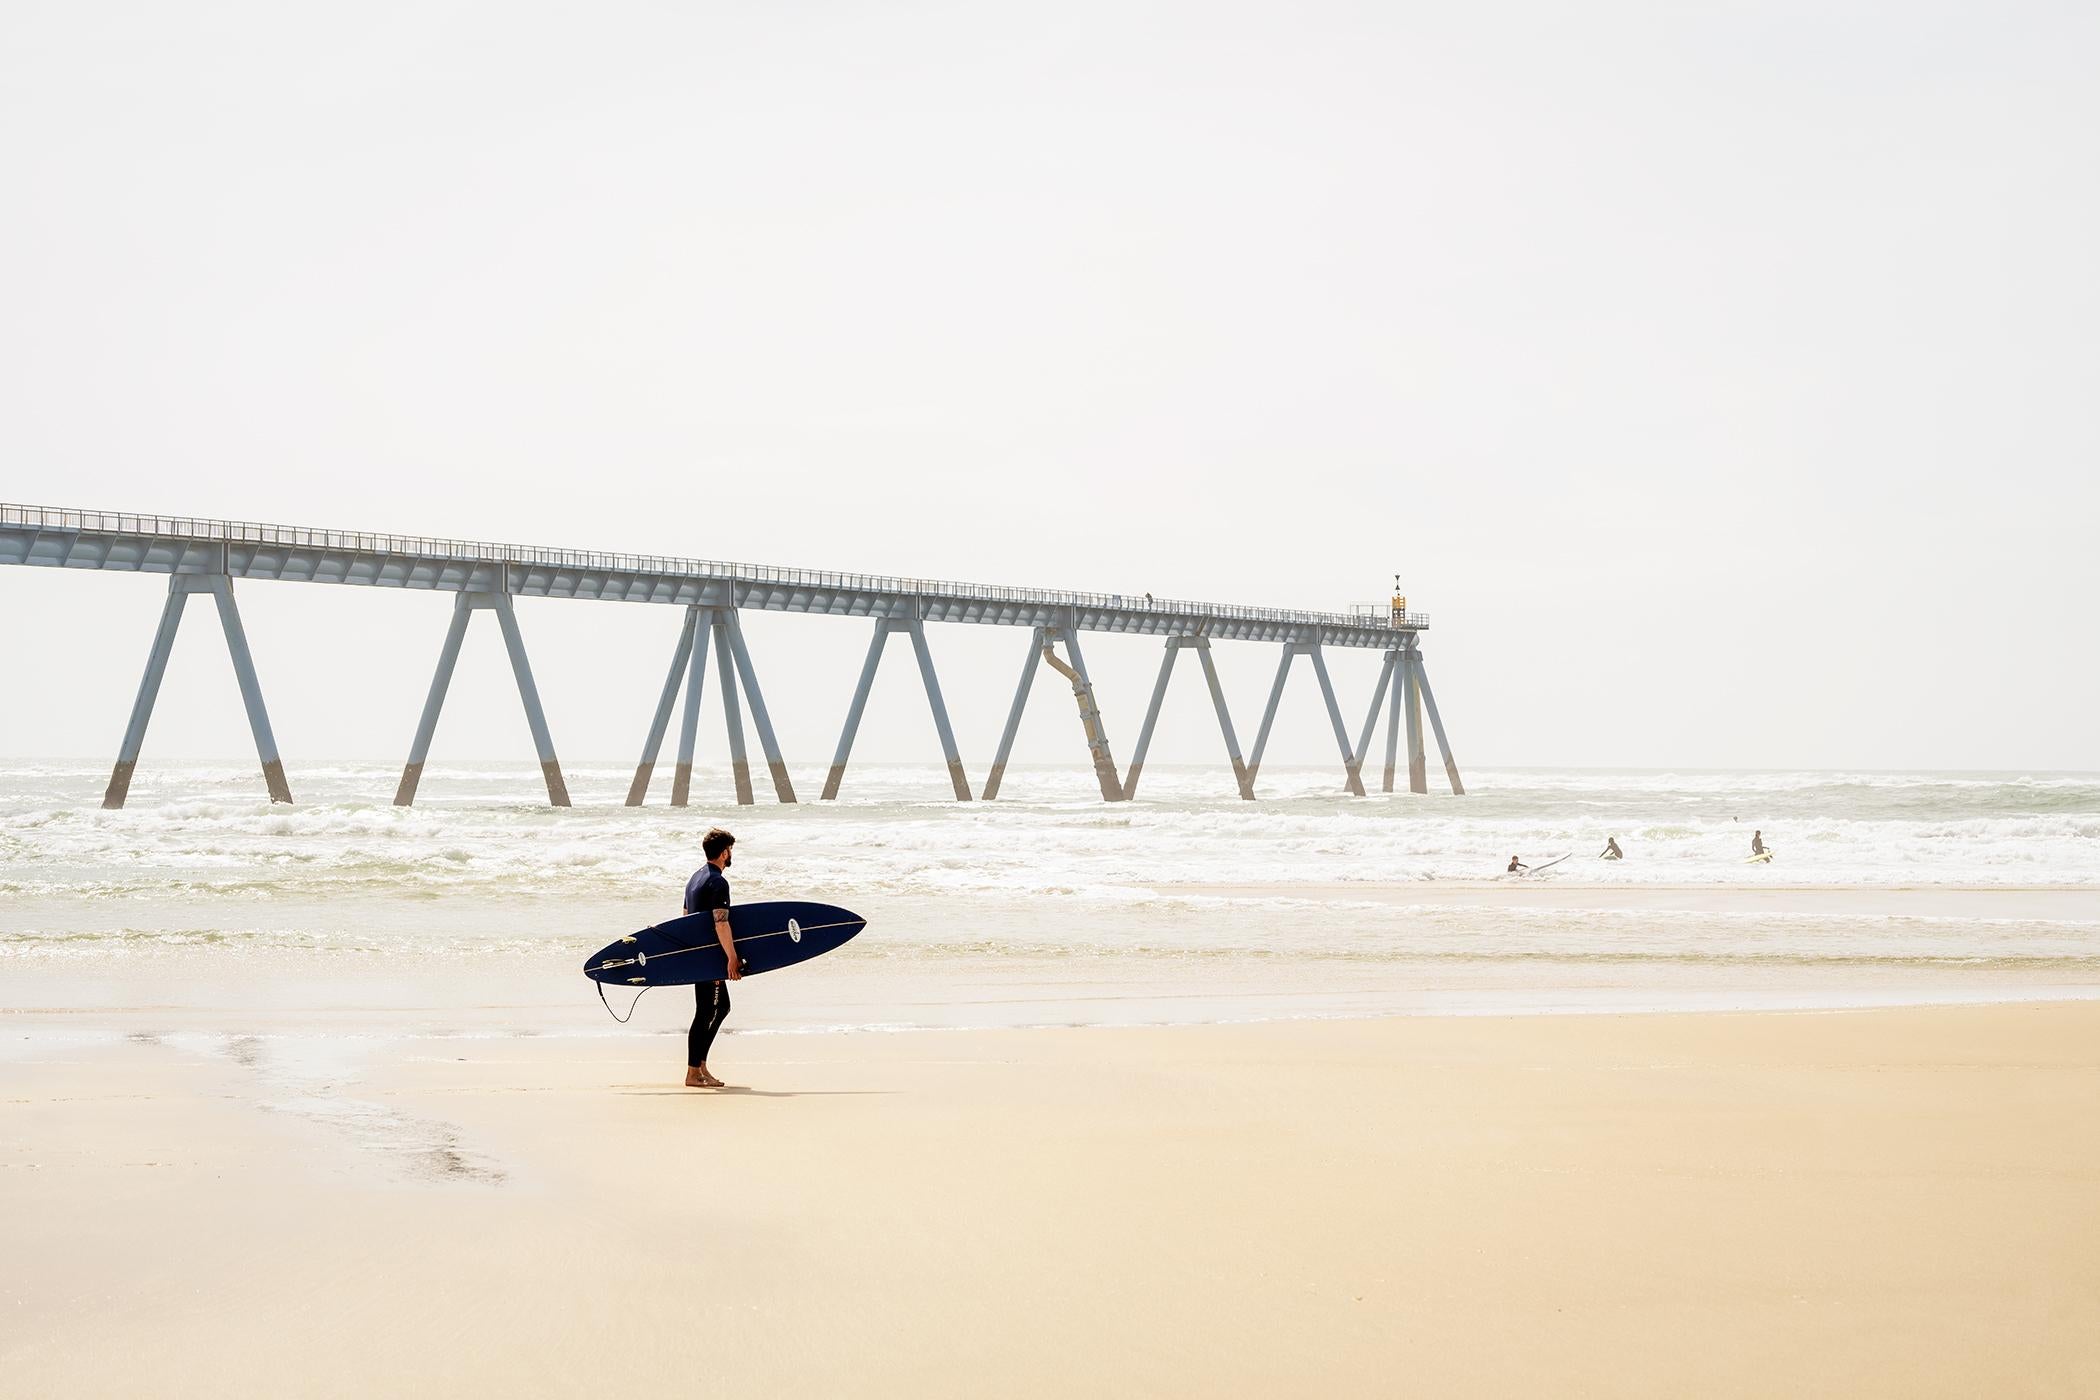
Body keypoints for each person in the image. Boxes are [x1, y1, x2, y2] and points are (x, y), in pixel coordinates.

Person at [682, 827, 743, 1088]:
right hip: (711, 958)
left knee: (716, 1008)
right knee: (709, 1010)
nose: (731, 854)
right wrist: (731, 957)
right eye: (730, 849)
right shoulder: (718, 882)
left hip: (700, 956)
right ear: (724, 852)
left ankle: (700, 1067)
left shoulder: (695, 879)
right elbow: (721, 923)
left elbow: (684, 918)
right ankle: (694, 1072)